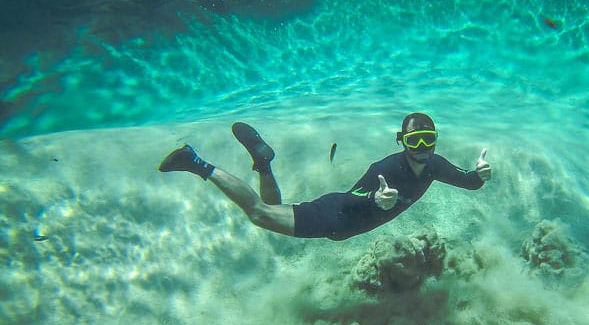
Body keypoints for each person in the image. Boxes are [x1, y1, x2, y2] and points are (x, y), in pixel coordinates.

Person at [158, 113, 492, 240]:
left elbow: (468, 182)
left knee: (272, 204)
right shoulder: (385, 170)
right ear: (401, 143)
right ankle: (196, 162)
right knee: (259, 214)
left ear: (436, 139)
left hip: (341, 222)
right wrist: (375, 198)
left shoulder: (436, 166)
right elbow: (351, 197)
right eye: (413, 141)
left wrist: (479, 175)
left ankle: (263, 163)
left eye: (428, 139)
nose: (422, 147)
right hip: (335, 216)